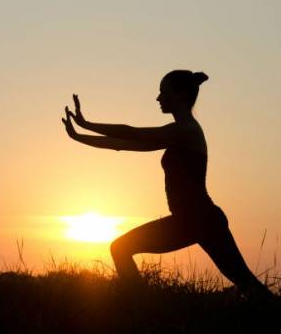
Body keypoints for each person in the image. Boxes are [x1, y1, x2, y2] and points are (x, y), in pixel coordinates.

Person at [60, 69, 275, 301]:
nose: (158, 98)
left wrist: (88, 124)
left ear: (181, 95)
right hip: (189, 221)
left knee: (247, 284)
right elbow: (122, 143)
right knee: (120, 248)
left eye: (163, 92)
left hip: (202, 219)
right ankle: (142, 308)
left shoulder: (187, 130)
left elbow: (132, 132)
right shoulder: (175, 135)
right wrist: (79, 136)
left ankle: (141, 309)